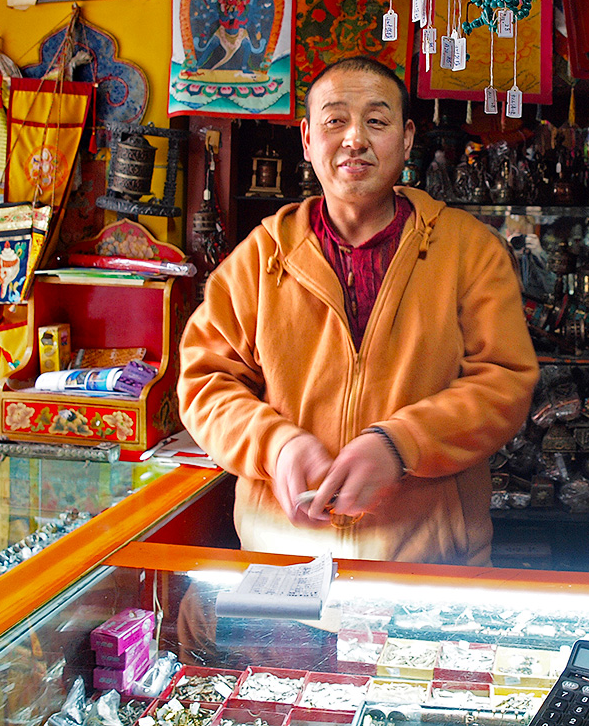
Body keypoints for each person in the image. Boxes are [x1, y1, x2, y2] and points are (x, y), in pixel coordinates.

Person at [177, 57, 539, 566]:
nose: (354, 139)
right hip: (283, 559)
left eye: (376, 121)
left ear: (407, 138)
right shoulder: (259, 259)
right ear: (307, 139)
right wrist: (275, 445)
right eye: (334, 121)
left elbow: (505, 380)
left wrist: (401, 444)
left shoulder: (469, 251)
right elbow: (204, 382)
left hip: (427, 557)